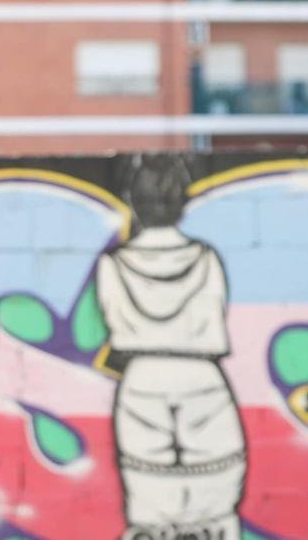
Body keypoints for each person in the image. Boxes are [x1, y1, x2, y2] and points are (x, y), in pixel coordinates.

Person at [95, 155, 245, 540]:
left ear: (135, 202)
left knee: (148, 501)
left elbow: (113, 318)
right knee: (217, 494)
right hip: (203, 377)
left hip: (141, 379)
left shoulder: (112, 264)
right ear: (182, 202)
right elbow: (215, 311)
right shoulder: (207, 258)